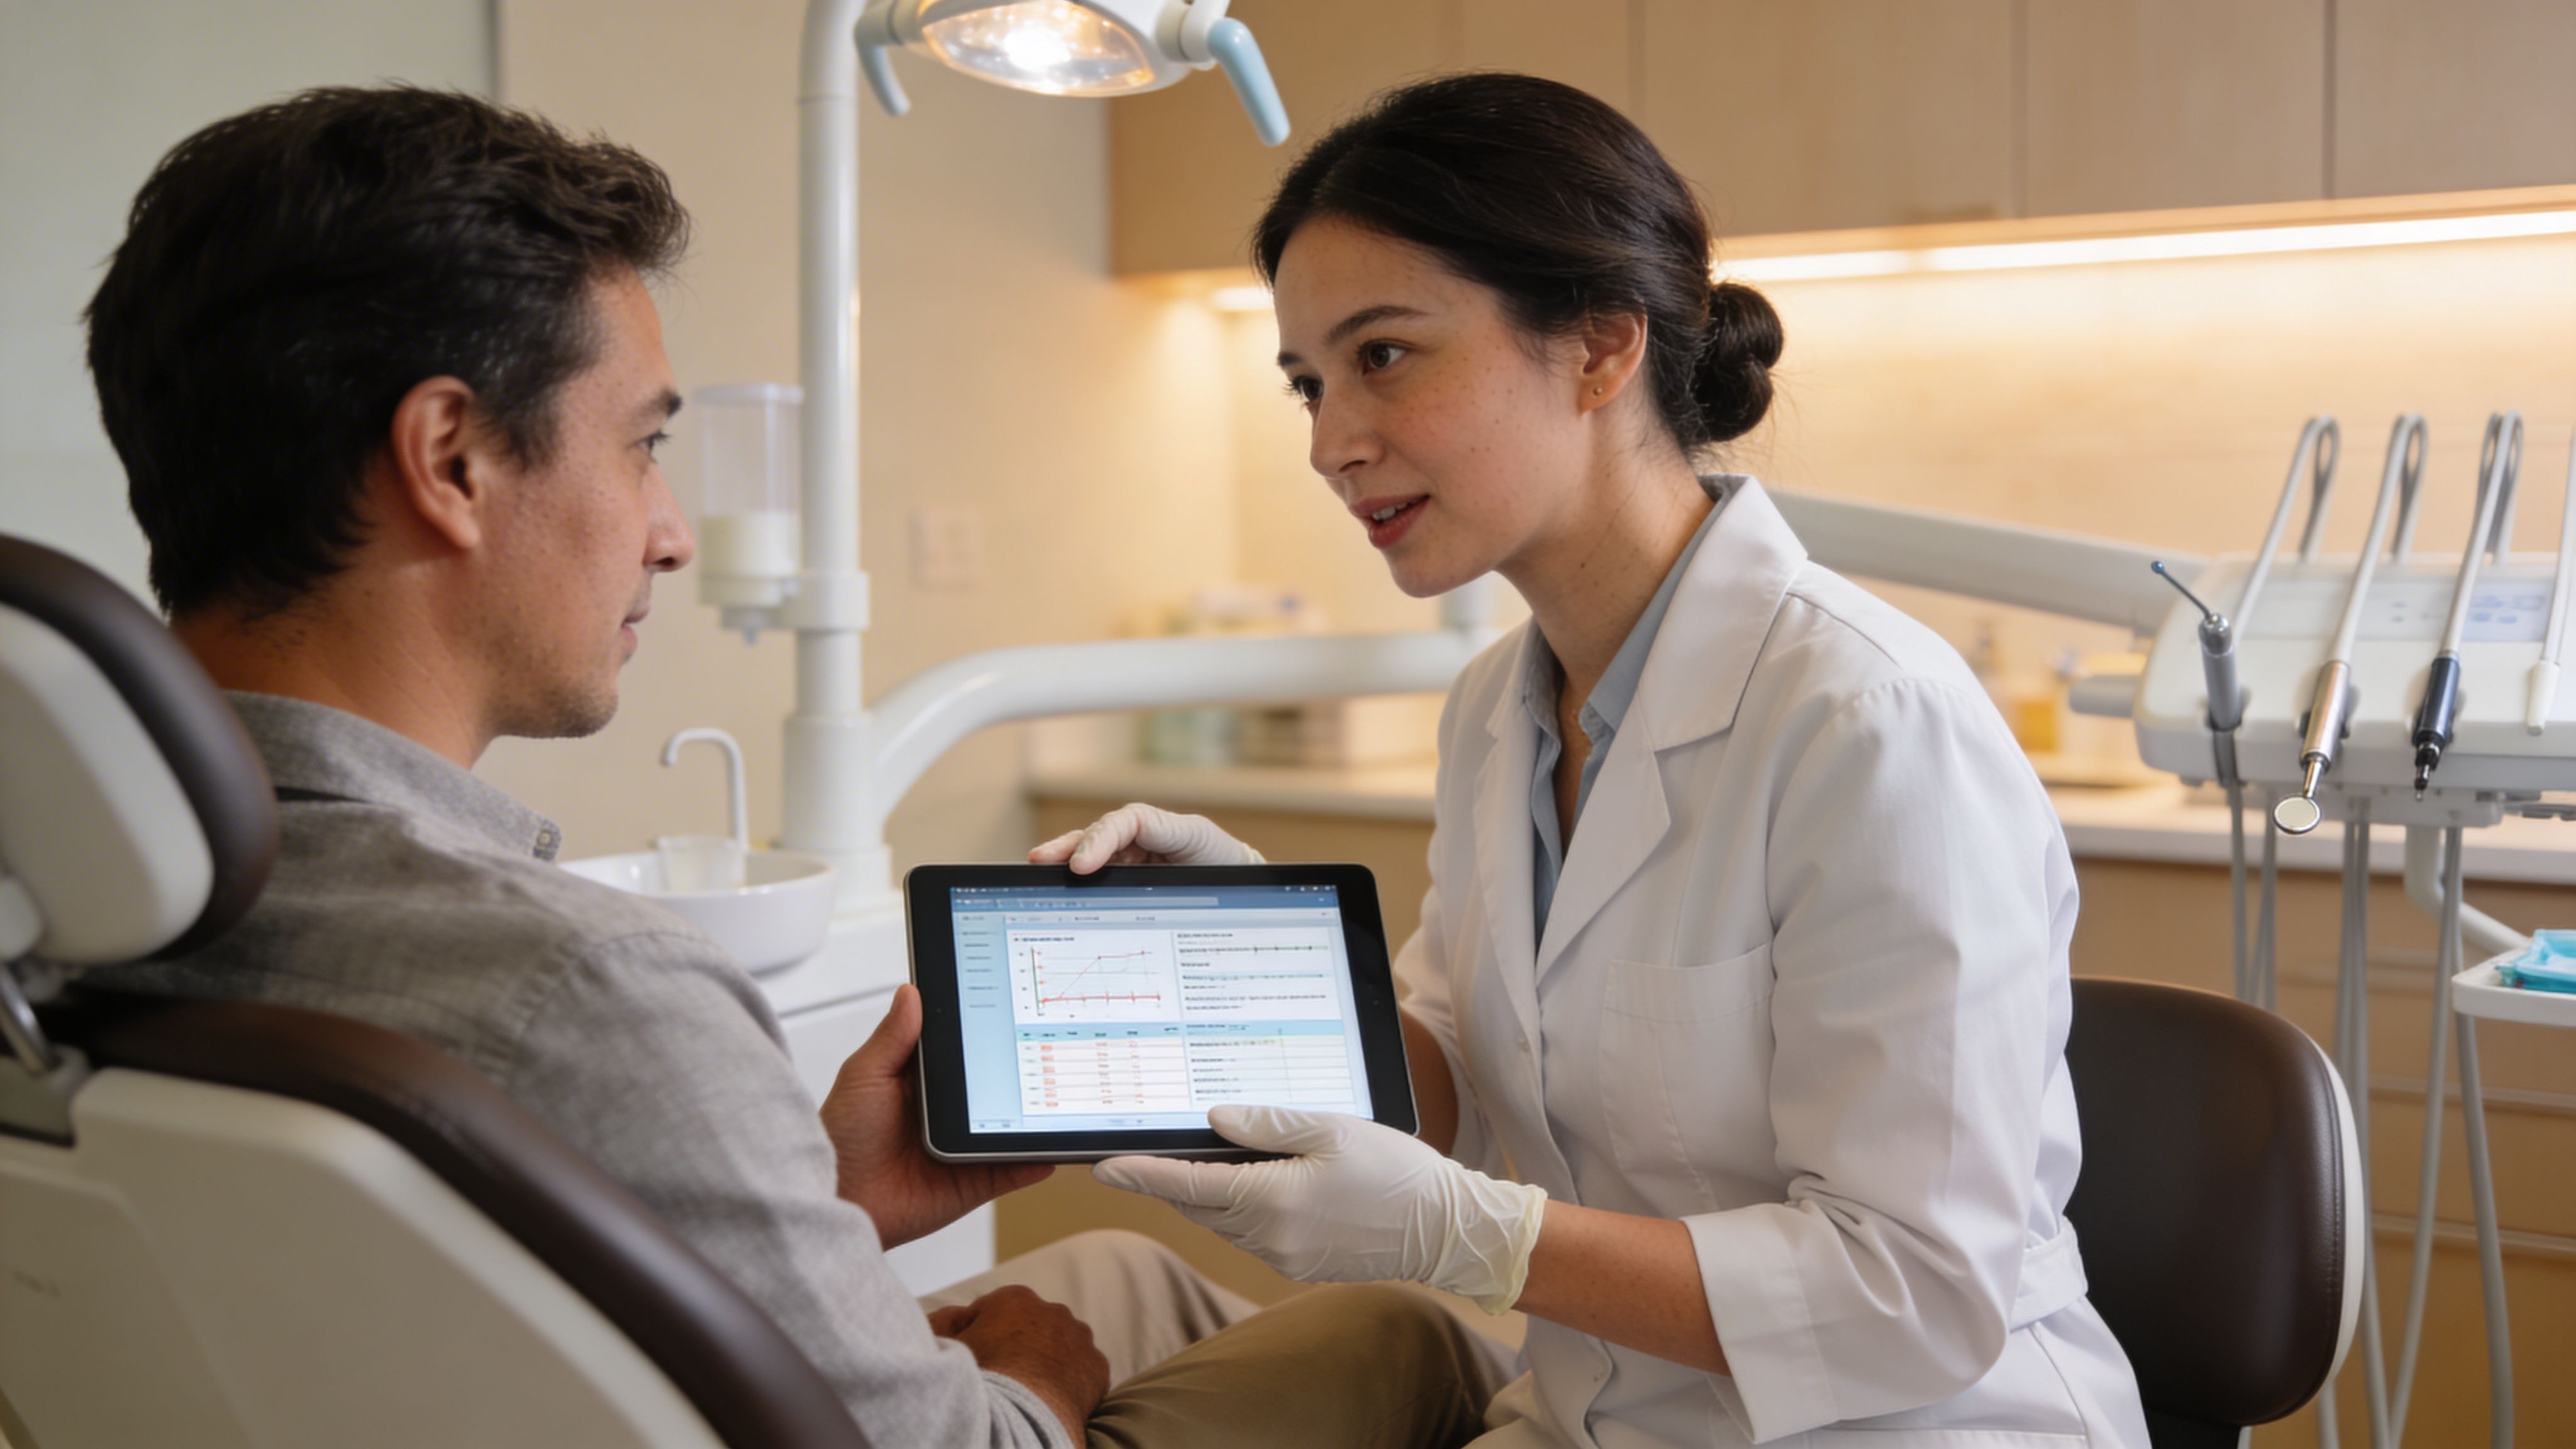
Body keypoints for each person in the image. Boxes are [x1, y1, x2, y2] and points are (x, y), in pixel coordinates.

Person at [72, 85, 1502, 1449]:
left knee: (1118, 1268)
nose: (672, 533)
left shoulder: (63, 924)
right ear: (449, 458)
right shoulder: (583, 988)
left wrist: (812, 1195)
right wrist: (1032, 1385)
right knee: (1407, 1337)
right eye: (642, 448)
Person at [1038, 74, 2152, 1448]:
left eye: (1382, 356)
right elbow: (1448, 1064)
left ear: (1597, 349)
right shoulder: (1495, 712)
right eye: (1308, 384)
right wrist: (1269, 979)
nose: (1330, 444)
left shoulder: (1864, 722)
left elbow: (1912, 1290)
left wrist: (1474, 1239)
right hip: (1588, 1413)